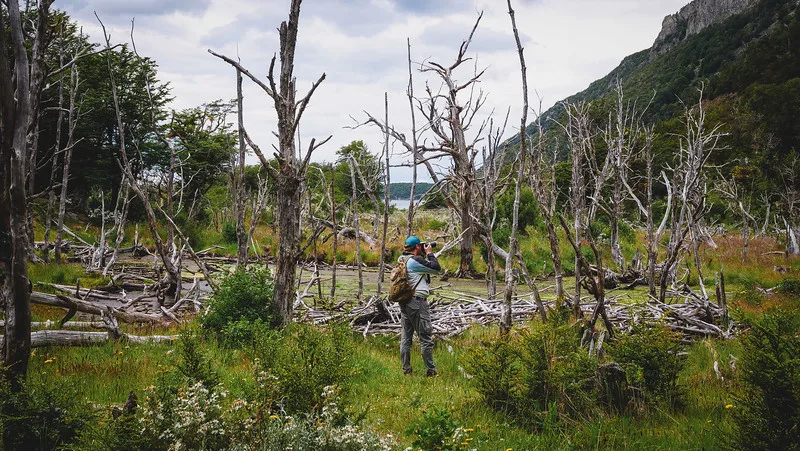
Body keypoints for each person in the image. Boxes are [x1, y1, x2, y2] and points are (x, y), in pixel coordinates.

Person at [399, 235, 442, 377]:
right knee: (425, 337)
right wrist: (430, 253)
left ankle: (406, 370)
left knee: (406, 338)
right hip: (417, 303)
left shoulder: (402, 259)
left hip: (405, 301)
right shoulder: (415, 261)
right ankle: (431, 371)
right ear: (417, 247)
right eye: (421, 246)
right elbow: (436, 269)